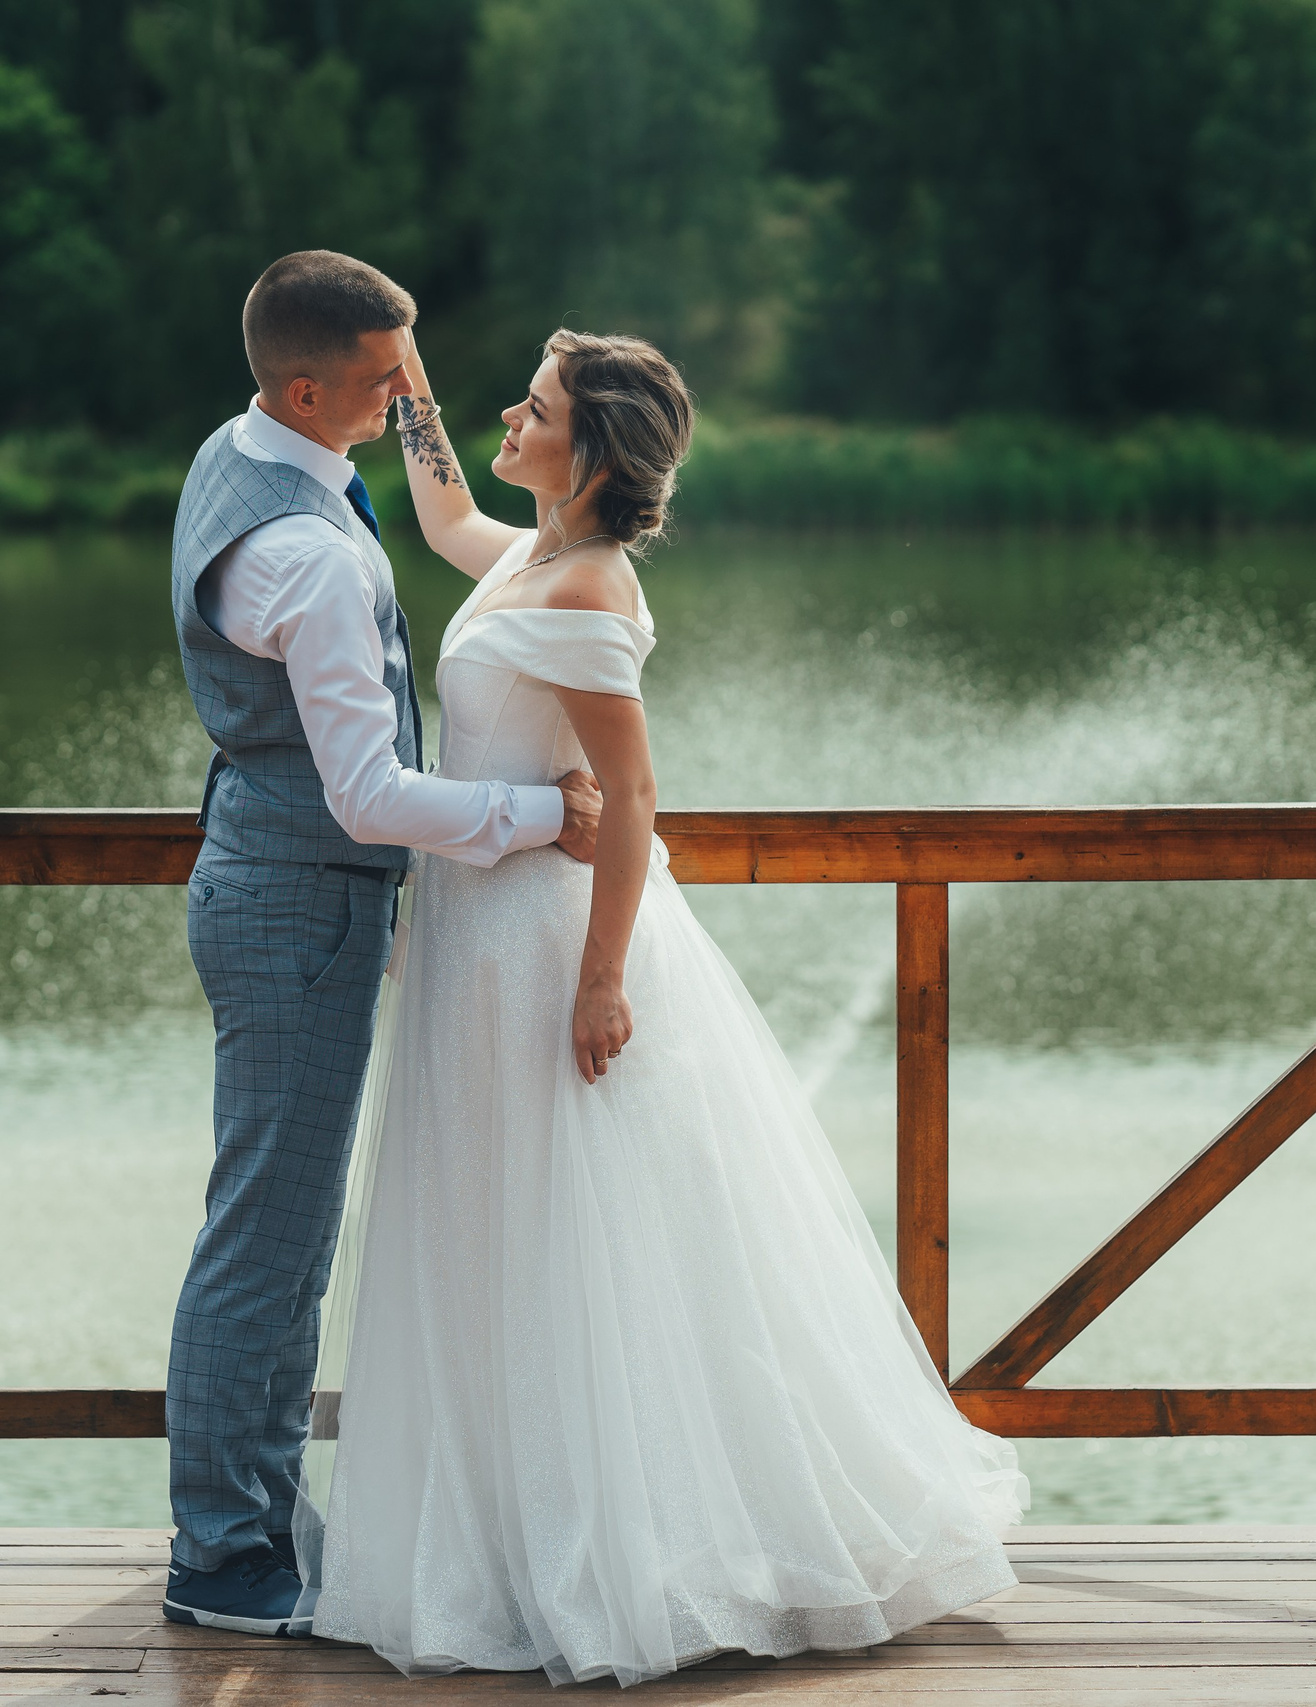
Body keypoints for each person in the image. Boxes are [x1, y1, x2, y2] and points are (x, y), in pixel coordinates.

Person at [308, 329, 1030, 1684]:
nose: (513, 424)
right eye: (517, 407)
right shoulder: (527, 554)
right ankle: (513, 1535)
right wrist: (415, 398)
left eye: (533, 411)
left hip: (542, 945)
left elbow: (632, 796)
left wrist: (599, 979)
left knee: (570, 1232)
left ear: (588, 453)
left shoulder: (585, 591)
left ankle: (618, 1553)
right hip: (475, 931)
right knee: (490, 1228)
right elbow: (447, 513)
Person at [163, 251, 602, 1637]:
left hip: (264, 872)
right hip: (302, 902)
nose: (410, 392)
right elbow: (370, 797)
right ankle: (228, 1558)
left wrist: (406, 395)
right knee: (270, 1244)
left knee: (270, 1230)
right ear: (308, 387)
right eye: (383, 377)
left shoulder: (243, 452)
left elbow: (435, 486)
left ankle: (251, 1511)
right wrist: (546, 813)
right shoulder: (306, 558)